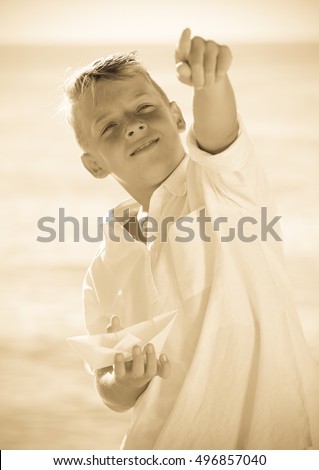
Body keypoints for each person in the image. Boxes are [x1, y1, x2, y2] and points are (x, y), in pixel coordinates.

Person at [64, 29, 319, 449]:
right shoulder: (104, 269)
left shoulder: (225, 187)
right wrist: (123, 379)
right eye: (108, 126)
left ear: (178, 117)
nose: (133, 126)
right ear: (94, 164)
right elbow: (109, 390)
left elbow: (218, 130)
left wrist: (210, 81)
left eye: (144, 107)